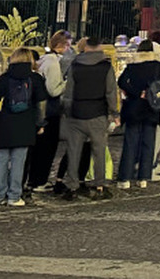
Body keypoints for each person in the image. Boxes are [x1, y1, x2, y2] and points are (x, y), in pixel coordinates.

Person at [59, 37, 119, 200]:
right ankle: (100, 186)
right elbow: (111, 92)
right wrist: (114, 113)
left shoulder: (75, 65)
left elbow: (69, 93)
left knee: (74, 151)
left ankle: (72, 187)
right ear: (99, 47)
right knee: (98, 151)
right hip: (98, 113)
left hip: (77, 113)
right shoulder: (106, 66)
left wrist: (68, 112)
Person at [118, 40, 160, 189]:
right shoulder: (157, 66)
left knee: (130, 143)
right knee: (148, 142)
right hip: (151, 107)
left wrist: (136, 92)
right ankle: (144, 177)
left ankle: (125, 178)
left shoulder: (132, 66)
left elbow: (121, 82)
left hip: (133, 107)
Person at [0, 48, 46, 206]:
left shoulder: (4, 78)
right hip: (25, 123)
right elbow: (41, 103)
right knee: (18, 162)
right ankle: (14, 196)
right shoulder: (35, 78)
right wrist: (40, 124)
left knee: (1, 161)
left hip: (5, 123)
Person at [27, 31, 69, 192]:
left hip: (42, 110)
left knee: (39, 148)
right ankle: (40, 180)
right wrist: (66, 83)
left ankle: (34, 179)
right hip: (51, 110)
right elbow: (53, 90)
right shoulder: (53, 63)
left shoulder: (44, 60)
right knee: (48, 148)